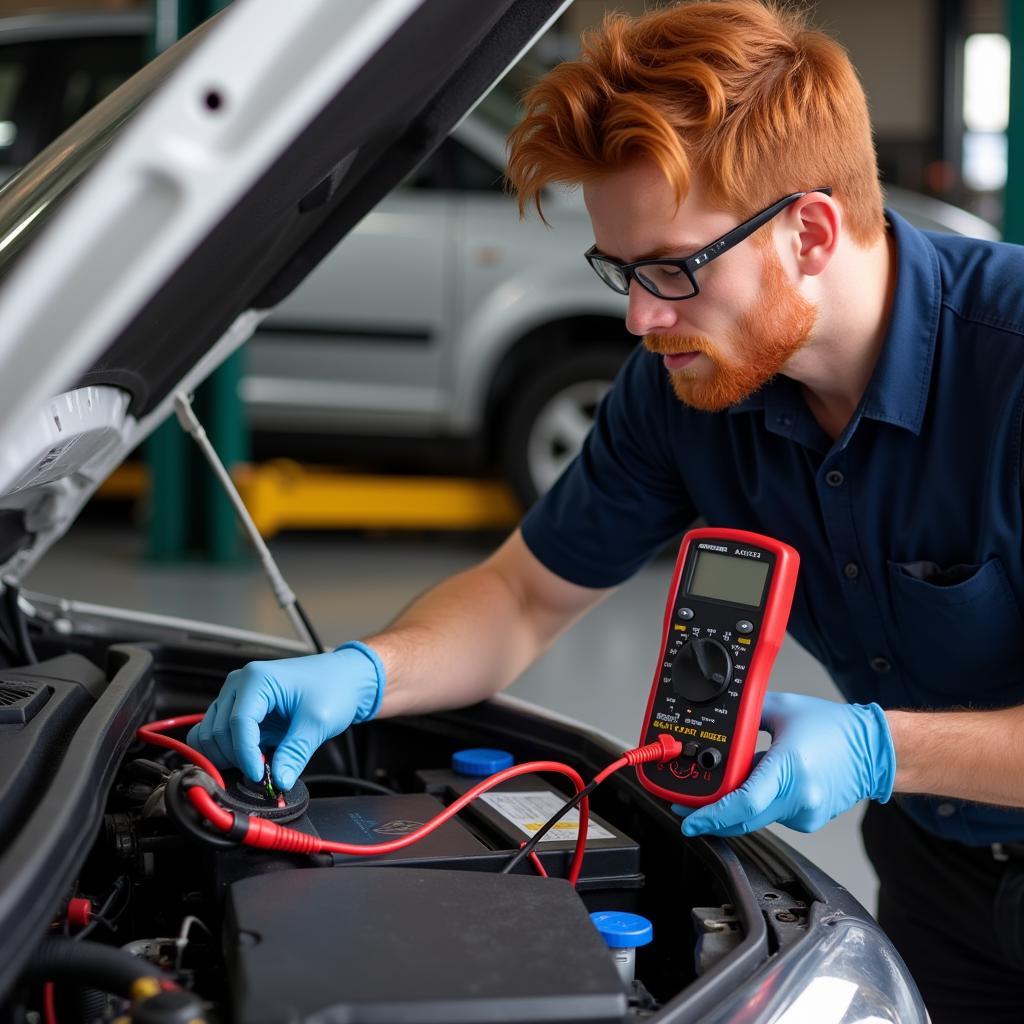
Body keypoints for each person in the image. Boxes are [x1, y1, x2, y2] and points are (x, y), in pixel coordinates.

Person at [188, 3, 1024, 1020]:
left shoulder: (1011, 357)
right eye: (619, 272)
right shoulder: (681, 387)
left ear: (807, 230)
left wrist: (877, 749)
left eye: (672, 268)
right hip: (937, 874)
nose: (638, 316)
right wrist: (367, 673)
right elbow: (520, 597)